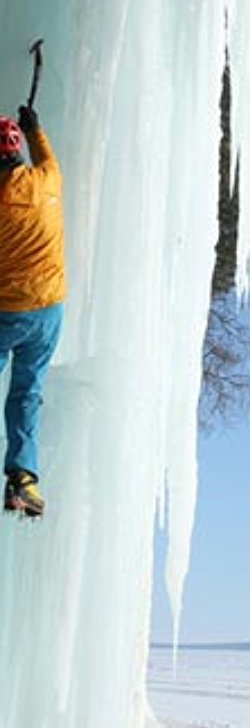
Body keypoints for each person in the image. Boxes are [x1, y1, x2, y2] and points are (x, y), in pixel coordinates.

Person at [0, 106, 65, 517]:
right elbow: (47, 157)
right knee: (27, 392)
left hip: (8, 311)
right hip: (49, 313)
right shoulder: (48, 181)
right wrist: (36, 127)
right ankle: (23, 478)